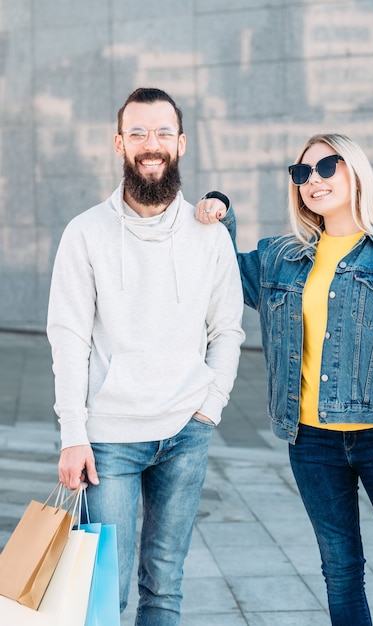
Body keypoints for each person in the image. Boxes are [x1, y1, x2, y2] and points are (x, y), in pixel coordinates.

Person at [196, 133, 373, 624]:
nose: (313, 180)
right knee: (340, 573)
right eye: (301, 173)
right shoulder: (280, 255)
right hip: (311, 440)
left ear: (354, 170)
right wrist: (221, 213)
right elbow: (220, 279)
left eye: (326, 167)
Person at [47, 87, 245, 625]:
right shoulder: (85, 233)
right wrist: (74, 434)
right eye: (137, 132)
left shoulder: (210, 236)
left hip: (186, 432)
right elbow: (68, 337)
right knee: (104, 596)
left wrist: (211, 407)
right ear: (119, 143)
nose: (149, 144)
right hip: (109, 441)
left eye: (161, 132)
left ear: (180, 143)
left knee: (164, 587)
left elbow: (227, 327)